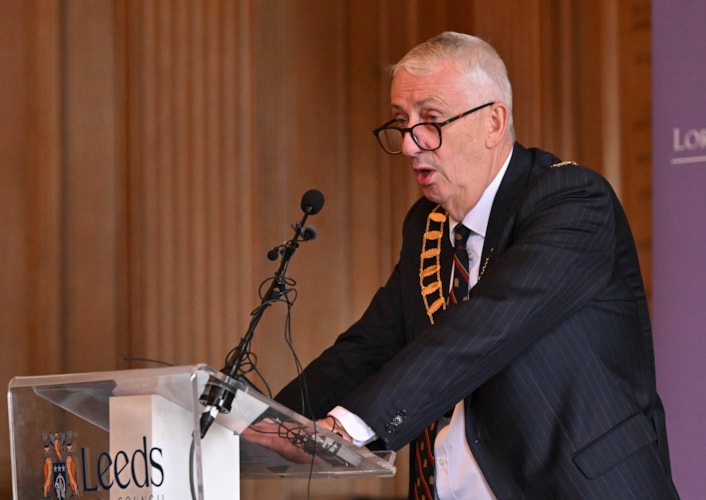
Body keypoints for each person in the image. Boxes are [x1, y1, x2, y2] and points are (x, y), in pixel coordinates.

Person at [274, 31, 679, 499]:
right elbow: (371, 345)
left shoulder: (571, 202)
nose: (409, 145)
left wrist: (351, 425)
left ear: (493, 121)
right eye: (401, 123)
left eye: (431, 120)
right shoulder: (427, 225)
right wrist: (263, 424)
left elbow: (484, 328)